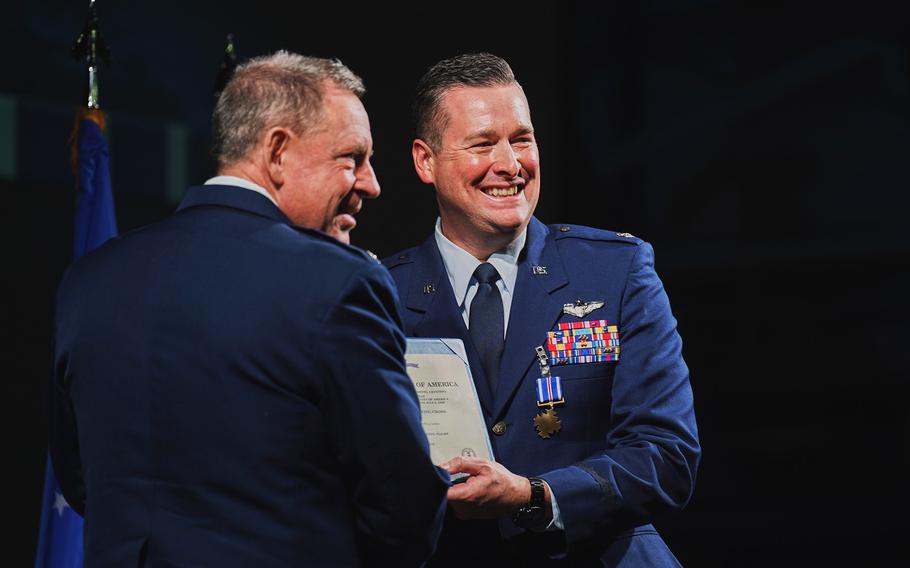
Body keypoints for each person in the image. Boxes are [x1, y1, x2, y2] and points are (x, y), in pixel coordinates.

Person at [50, 51, 449, 567]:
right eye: (352, 158)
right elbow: (405, 508)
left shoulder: (90, 279)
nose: (371, 184)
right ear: (278, 151)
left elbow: (83, 480)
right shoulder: (337, 281)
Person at [382, 53, 700, 566]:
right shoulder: (380, 296)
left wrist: (536, 496)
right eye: (483, 143)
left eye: (522, 139)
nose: (510, 163)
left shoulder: (615, 272)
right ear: (425, 161)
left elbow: (667, 455)